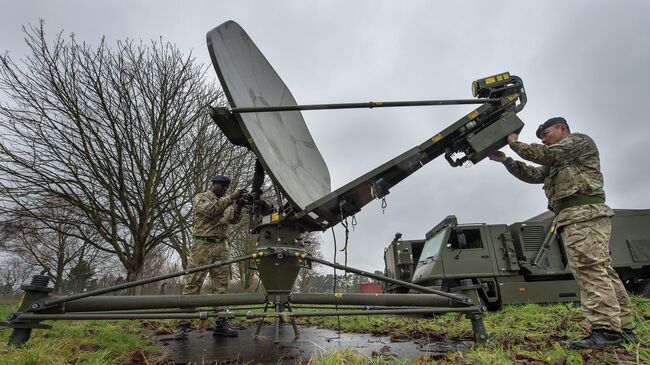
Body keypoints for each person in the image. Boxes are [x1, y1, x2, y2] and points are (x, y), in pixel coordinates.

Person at [488, 117, 637, 349]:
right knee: (601, 270)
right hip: (577, 216)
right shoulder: (558, 160)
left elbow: (541, 154)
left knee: (589, 271)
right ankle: (624, 328)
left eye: (546, 134)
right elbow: (533, 175)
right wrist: (507, 160)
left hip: (583, 214)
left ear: (562, 128)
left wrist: (514, 142)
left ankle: (606, 332)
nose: (544, 140)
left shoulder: (578, 142)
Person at [176, 175, 245, 339]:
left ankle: (221, 324)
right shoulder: (202, 198)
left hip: (221, 247)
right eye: (223, 186)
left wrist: (240, 205)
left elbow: (233, 219)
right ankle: (184, 325)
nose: (225, 190)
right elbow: (211, 211)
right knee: (193, 283)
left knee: (220, 287)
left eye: (227, 188)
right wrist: (231, 197)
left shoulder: (226, 202)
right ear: (214, 185)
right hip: (202, 246)